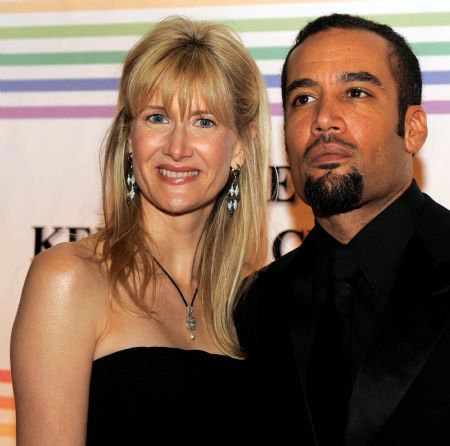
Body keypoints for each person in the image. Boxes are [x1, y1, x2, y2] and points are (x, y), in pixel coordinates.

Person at [11, 16, 270, 444]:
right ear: (130, 138)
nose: (177, 147)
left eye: (204, 121)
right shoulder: (70, 280)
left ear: (240, 145)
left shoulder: (253, 304)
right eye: (157, 118)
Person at [235, 13, 450, 446]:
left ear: (412, 129)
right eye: (303, 99)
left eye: (356, 92)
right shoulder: (254, 305)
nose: (324, 119)